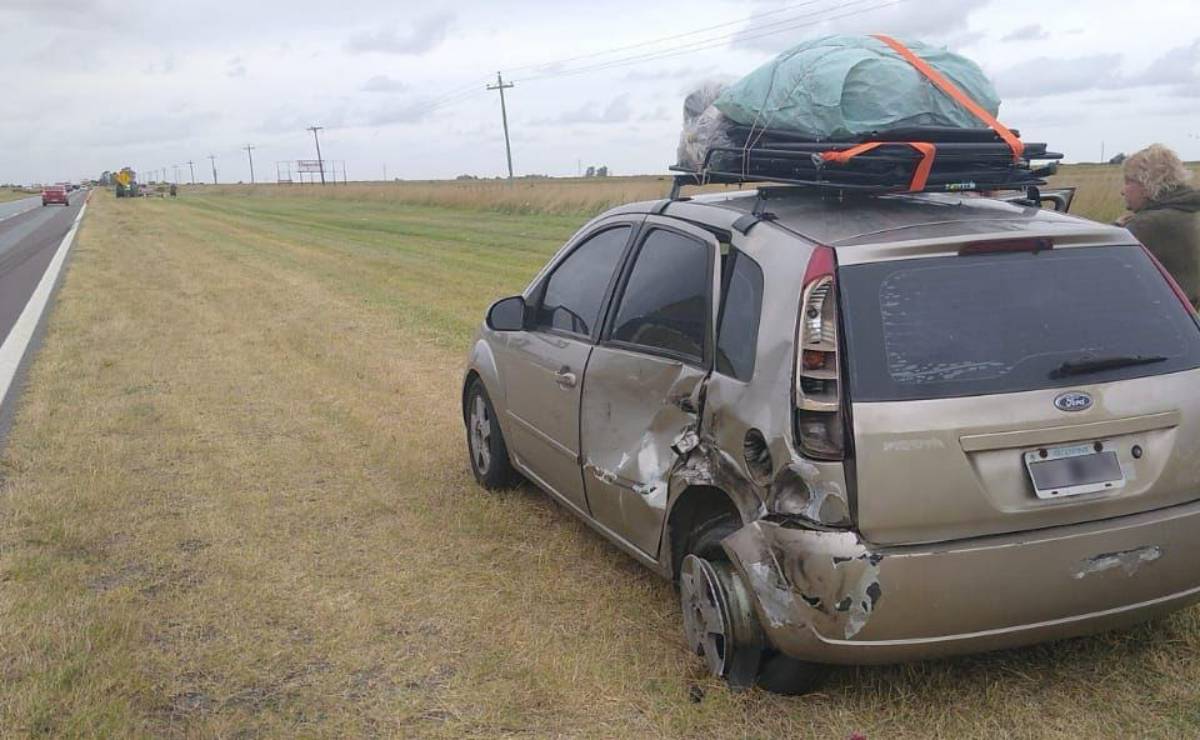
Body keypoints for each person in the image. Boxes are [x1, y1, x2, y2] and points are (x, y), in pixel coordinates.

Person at [1119, 144, 1200, 308]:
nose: (1122, 191)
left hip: (1160, 310)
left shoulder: (1145, 224)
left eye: (1128, 182)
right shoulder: (1189, 210)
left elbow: (1105, 266)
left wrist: (1115, 228)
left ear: (1147, 184)